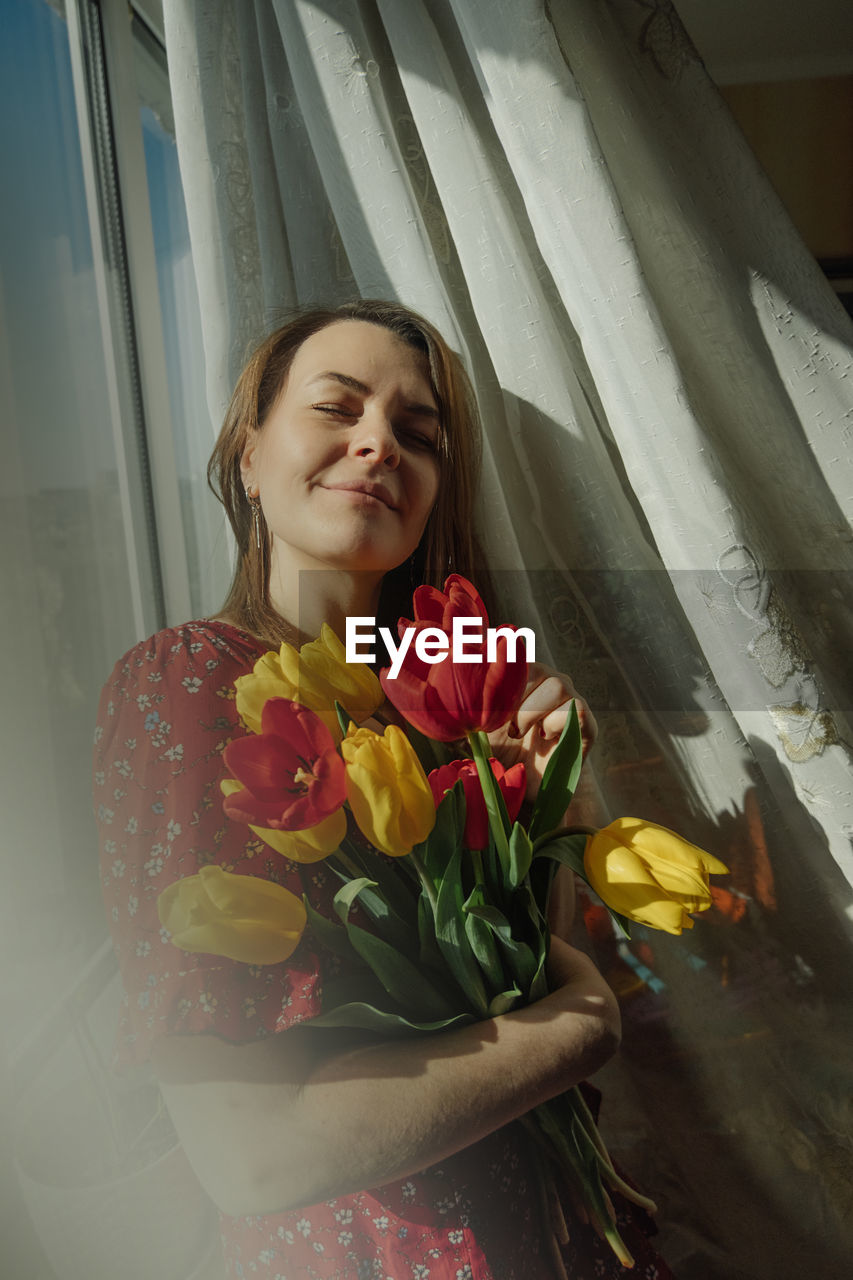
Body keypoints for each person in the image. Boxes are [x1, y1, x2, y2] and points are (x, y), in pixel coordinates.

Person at [94, 299, 671, 1279]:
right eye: (336, 407)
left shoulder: (448, 702)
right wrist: (581, 1026)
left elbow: (512, 973)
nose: (377, 443)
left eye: (416, 432)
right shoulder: (193, 684)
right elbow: (253, 1150)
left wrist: (544, 802)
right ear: (247, 453)